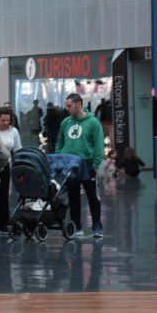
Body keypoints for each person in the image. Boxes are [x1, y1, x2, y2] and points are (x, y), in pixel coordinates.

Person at [57, 93, 106, 238]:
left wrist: (96, 164)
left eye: (69, 105)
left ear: (78, 104)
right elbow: (60, 142)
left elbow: (99, 145)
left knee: (92, 195)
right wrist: (59, 158)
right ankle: (77, 226)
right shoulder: (66, 122)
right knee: (73, 196)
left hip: (87, 163)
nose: (67, 108)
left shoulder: (93, 123)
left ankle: (97, 226)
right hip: (69, 164)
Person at [0, 107, 22, 235]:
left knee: (3, 194)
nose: (6, 123)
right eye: (3, 120)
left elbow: (18, 149)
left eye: (8, 120)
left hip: (5, 165)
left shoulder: (13, 131)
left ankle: (3, 223)